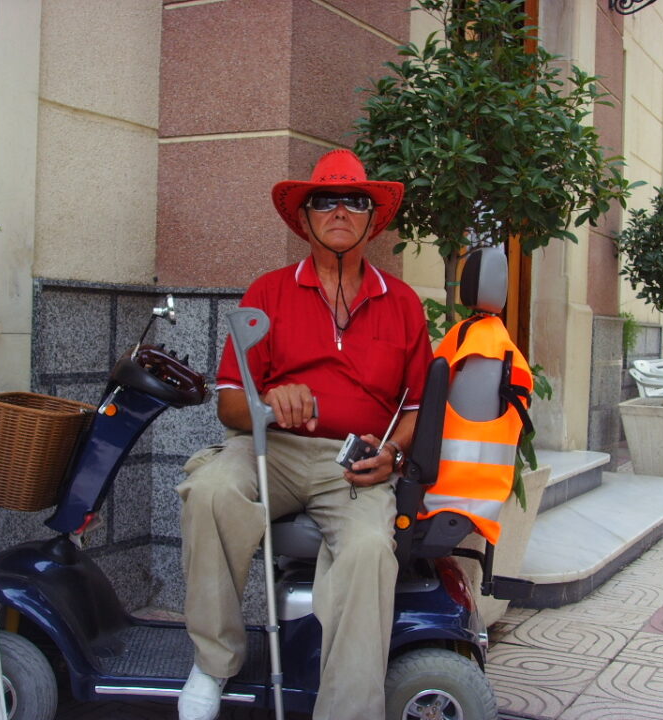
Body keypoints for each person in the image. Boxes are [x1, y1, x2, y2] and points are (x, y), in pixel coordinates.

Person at [176, 148, 433, 720]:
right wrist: (267, 404)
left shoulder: (405, 304)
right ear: (306, 217)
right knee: (211, 490)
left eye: (354, 200)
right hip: (273, 450)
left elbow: (417, 409)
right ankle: (214, 662)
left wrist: (392, 453)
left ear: (372, 219)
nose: (339, 210)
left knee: (370, 550)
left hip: (355, 463)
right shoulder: (267, 293)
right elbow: (229, 405)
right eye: (324, 200)